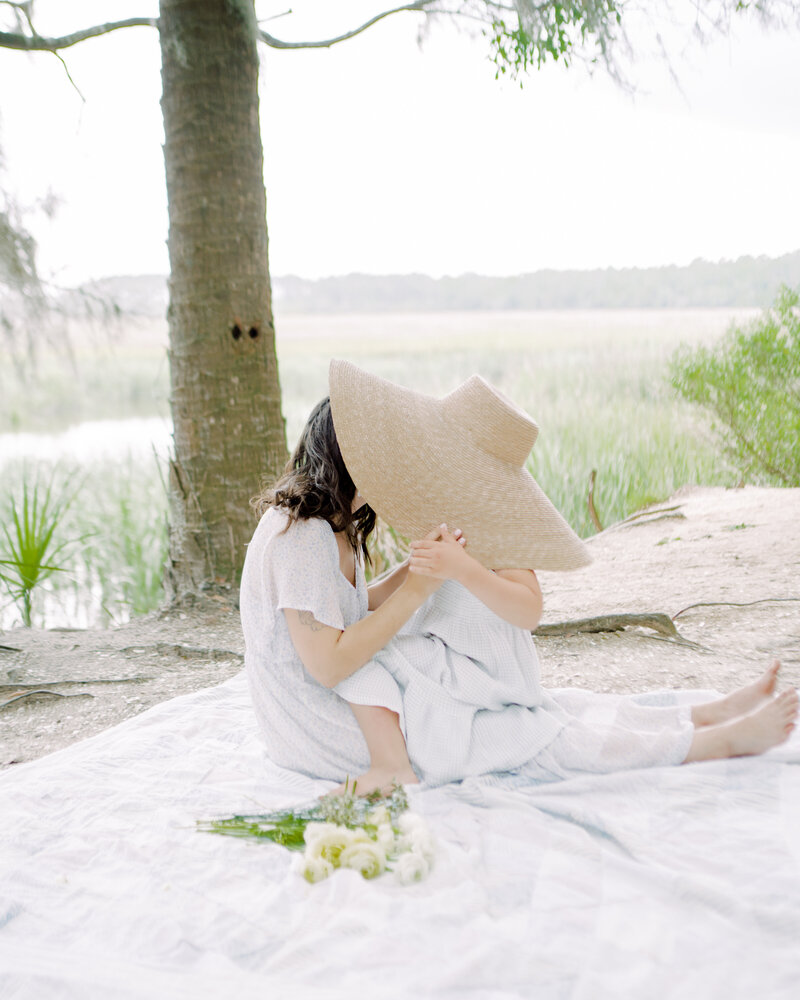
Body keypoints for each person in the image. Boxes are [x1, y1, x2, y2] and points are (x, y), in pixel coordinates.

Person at [240, 361, 798, 796]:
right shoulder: (305, 534)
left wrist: (418, 574)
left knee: (539, 714)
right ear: (353, 454)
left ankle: (701, 716)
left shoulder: (329, 527)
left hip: (350, 702)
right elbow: (333, 662)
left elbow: (355, 610)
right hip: (324, 727)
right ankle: (716, 741)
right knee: (525, 737)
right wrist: (418, 589)